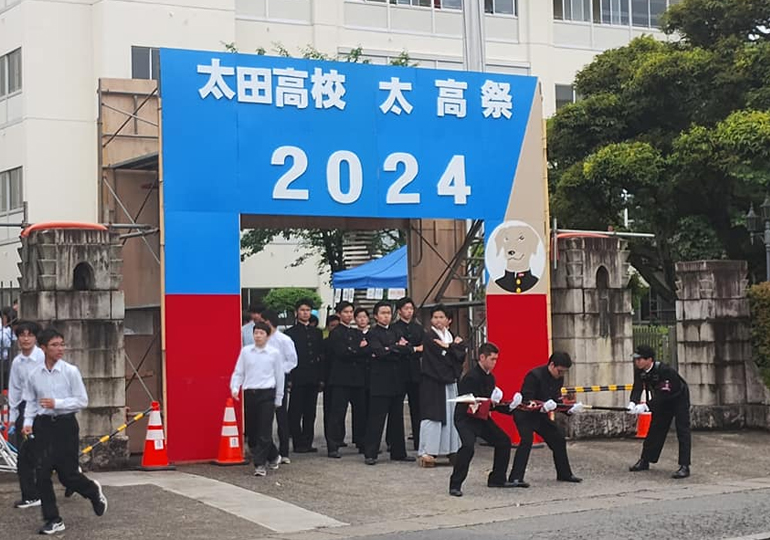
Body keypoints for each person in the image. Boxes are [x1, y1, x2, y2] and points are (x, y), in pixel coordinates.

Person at [22, 327, 107, 535]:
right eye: (54, 345)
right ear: (43, 348)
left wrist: (57, 403)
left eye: (62, 344)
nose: (60, 349)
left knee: (67, 475)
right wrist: (28, 421)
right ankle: (53, 519)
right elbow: (32, 402)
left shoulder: (70, 371)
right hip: (43, 425)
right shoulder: (34, 374)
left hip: (65, 425)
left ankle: (93, 491)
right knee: (41, 472)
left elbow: (82, 401)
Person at [449, 342, 520, 496]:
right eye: (492, 359)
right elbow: (466, 401)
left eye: (496, 360)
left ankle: (497, 479)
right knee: (468, 447)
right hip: (466, 418)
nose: (494, 363)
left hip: (481, 417)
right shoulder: (470, 377)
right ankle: (455, 484)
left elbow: (490, 405)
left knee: (503, 441)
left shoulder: (490, 378)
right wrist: (487, 402)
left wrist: (510, 407)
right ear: (482, 357)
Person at [509, 351, 583, 486]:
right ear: (552, 365)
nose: (561, 375)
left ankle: (564, 473)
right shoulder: (534, 375)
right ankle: (515, 477)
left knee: (558, 438)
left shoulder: (558, 379)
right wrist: (542, 405)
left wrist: (569, 409)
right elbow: (526, 399)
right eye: (560, 371)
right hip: (524, 414)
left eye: (564, 372)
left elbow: (556, 400)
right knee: (526, 441)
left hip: (540, 416)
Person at [363, 301, 416, 465]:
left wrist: (390, 349)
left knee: (397, 419)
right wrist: (394, 348)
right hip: (380, 381)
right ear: (376, 316)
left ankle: (398, 452)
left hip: (397, 380)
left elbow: (408, 349)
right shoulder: (372, 333)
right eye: (383, 313)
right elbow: (378, 352)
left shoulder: (396, 330)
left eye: (388, 313)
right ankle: (370, 453)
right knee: (376, 419)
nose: (386, 316)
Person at [627, 344, 691, 479]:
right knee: (655, 428)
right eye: (636, 359)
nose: (637, 362)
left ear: (649, 359)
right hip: (661, 400)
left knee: (683, 431)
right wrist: (633, 403)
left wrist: (646, 406)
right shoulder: (640, 370)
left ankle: (684, 466)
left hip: (678, 398)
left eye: (640, 359)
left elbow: (664, 394)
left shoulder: (664, 371)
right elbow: (638, 387)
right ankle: (645, 460)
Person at [230, 321, 284, 476]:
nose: (258, 336)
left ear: (267, 336)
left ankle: (259, 465)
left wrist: (278, 398)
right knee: (253, 431)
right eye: (256, 333)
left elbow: (279, 376)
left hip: (267, 393)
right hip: (250, 393)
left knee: (264, 429)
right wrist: (235, 387)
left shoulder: (274, 353)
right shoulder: (246, 351)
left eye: (261, 333)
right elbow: (239, 371)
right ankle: (273, 455)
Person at [417, 305, 464, 467]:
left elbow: (461, 354)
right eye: (435, 317)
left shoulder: (451, 337)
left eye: (441, 317)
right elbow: (438, 360)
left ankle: (452, 449)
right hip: (434, 381)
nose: (438, 320)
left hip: (449, 382)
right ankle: (428, 451)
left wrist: (450, 348)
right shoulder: (429, 337)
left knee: (451, 416)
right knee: (433, 416)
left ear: (448, 320)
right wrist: (452, 350)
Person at [8, 320, 45, 509]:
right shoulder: (17, 362)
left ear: (36, 338)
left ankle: (72, 479)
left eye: (30, 334)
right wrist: (12, 419)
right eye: (22, 335)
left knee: (45, 454)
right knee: (24, 455)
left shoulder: (43, 358)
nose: (25, 338)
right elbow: (14, 391)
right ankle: (30, 495)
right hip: (25, 409)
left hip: (43, 409)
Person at [326, 303, 369, 458]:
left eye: (351, 312)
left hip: (358, 378)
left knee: (361, 412)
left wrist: (356, 349)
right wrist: (358, 349)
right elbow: (342, 352)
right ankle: (333, 445)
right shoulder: (335, 333)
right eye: (346, 312)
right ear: (339, 314)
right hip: (340, 378)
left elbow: (365, 350)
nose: (349, 315)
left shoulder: (356, 332)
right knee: (337, 412)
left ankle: (362, 442)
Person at [285, 299, 324, 453]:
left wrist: (321, 378)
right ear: (296, 312)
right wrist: (288, 379)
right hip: (297, 377)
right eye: (302, 310)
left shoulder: (317, 332)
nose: (305, 313)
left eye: (308, 310)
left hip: (313, 377)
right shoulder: (290, 333)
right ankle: (298, 441)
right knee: (295, 411)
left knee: (310, 412)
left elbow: (321, 356)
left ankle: (308, 442)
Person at [262, 309, 298, 464]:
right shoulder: (261, 340)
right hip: (263, 381)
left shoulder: (284, 340)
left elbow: (292, 360)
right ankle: (267, 451)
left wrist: (279, 370)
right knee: (264, 418)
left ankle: (284, 452)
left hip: (279, 380)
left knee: (281, 417)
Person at [392, 297, 424, 451]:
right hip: (398, 371)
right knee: (396, 408)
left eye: (411, 308)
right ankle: (395, 443)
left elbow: (424, 347)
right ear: (399, 311)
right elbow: (396, 347)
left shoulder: (418, 328)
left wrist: (410, 348)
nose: (409, 311)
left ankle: (420, 441)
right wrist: (413, 349)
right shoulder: (394, 328)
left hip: (415, 372)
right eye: (406, 308)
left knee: (417, 408)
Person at [322, 314, 341, 444]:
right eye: (332, 326)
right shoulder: (325, 343)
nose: (334, 329)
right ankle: (331, 438)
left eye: (337, 326)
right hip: (328, 378)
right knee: (330, 410)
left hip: (341, 379)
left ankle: (340, 436)